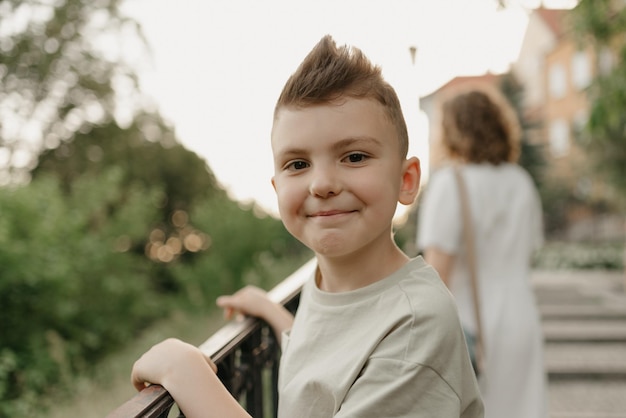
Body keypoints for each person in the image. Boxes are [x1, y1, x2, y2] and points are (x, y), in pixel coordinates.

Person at [130, 35, 484, 418]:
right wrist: (270, 310)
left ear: (406, 180)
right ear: (277, 188)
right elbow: (331, 354)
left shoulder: (416, 327)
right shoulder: (330, 282)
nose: (321, 184)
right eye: (298, 164)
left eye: (354, 156)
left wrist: (186, 373)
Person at [416, 87, 548, 418]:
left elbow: (437, 275)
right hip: (522, 318)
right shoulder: (521, 181)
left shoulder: (450, 183)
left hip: (470, 327)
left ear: (453, 131)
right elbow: (527, 252)